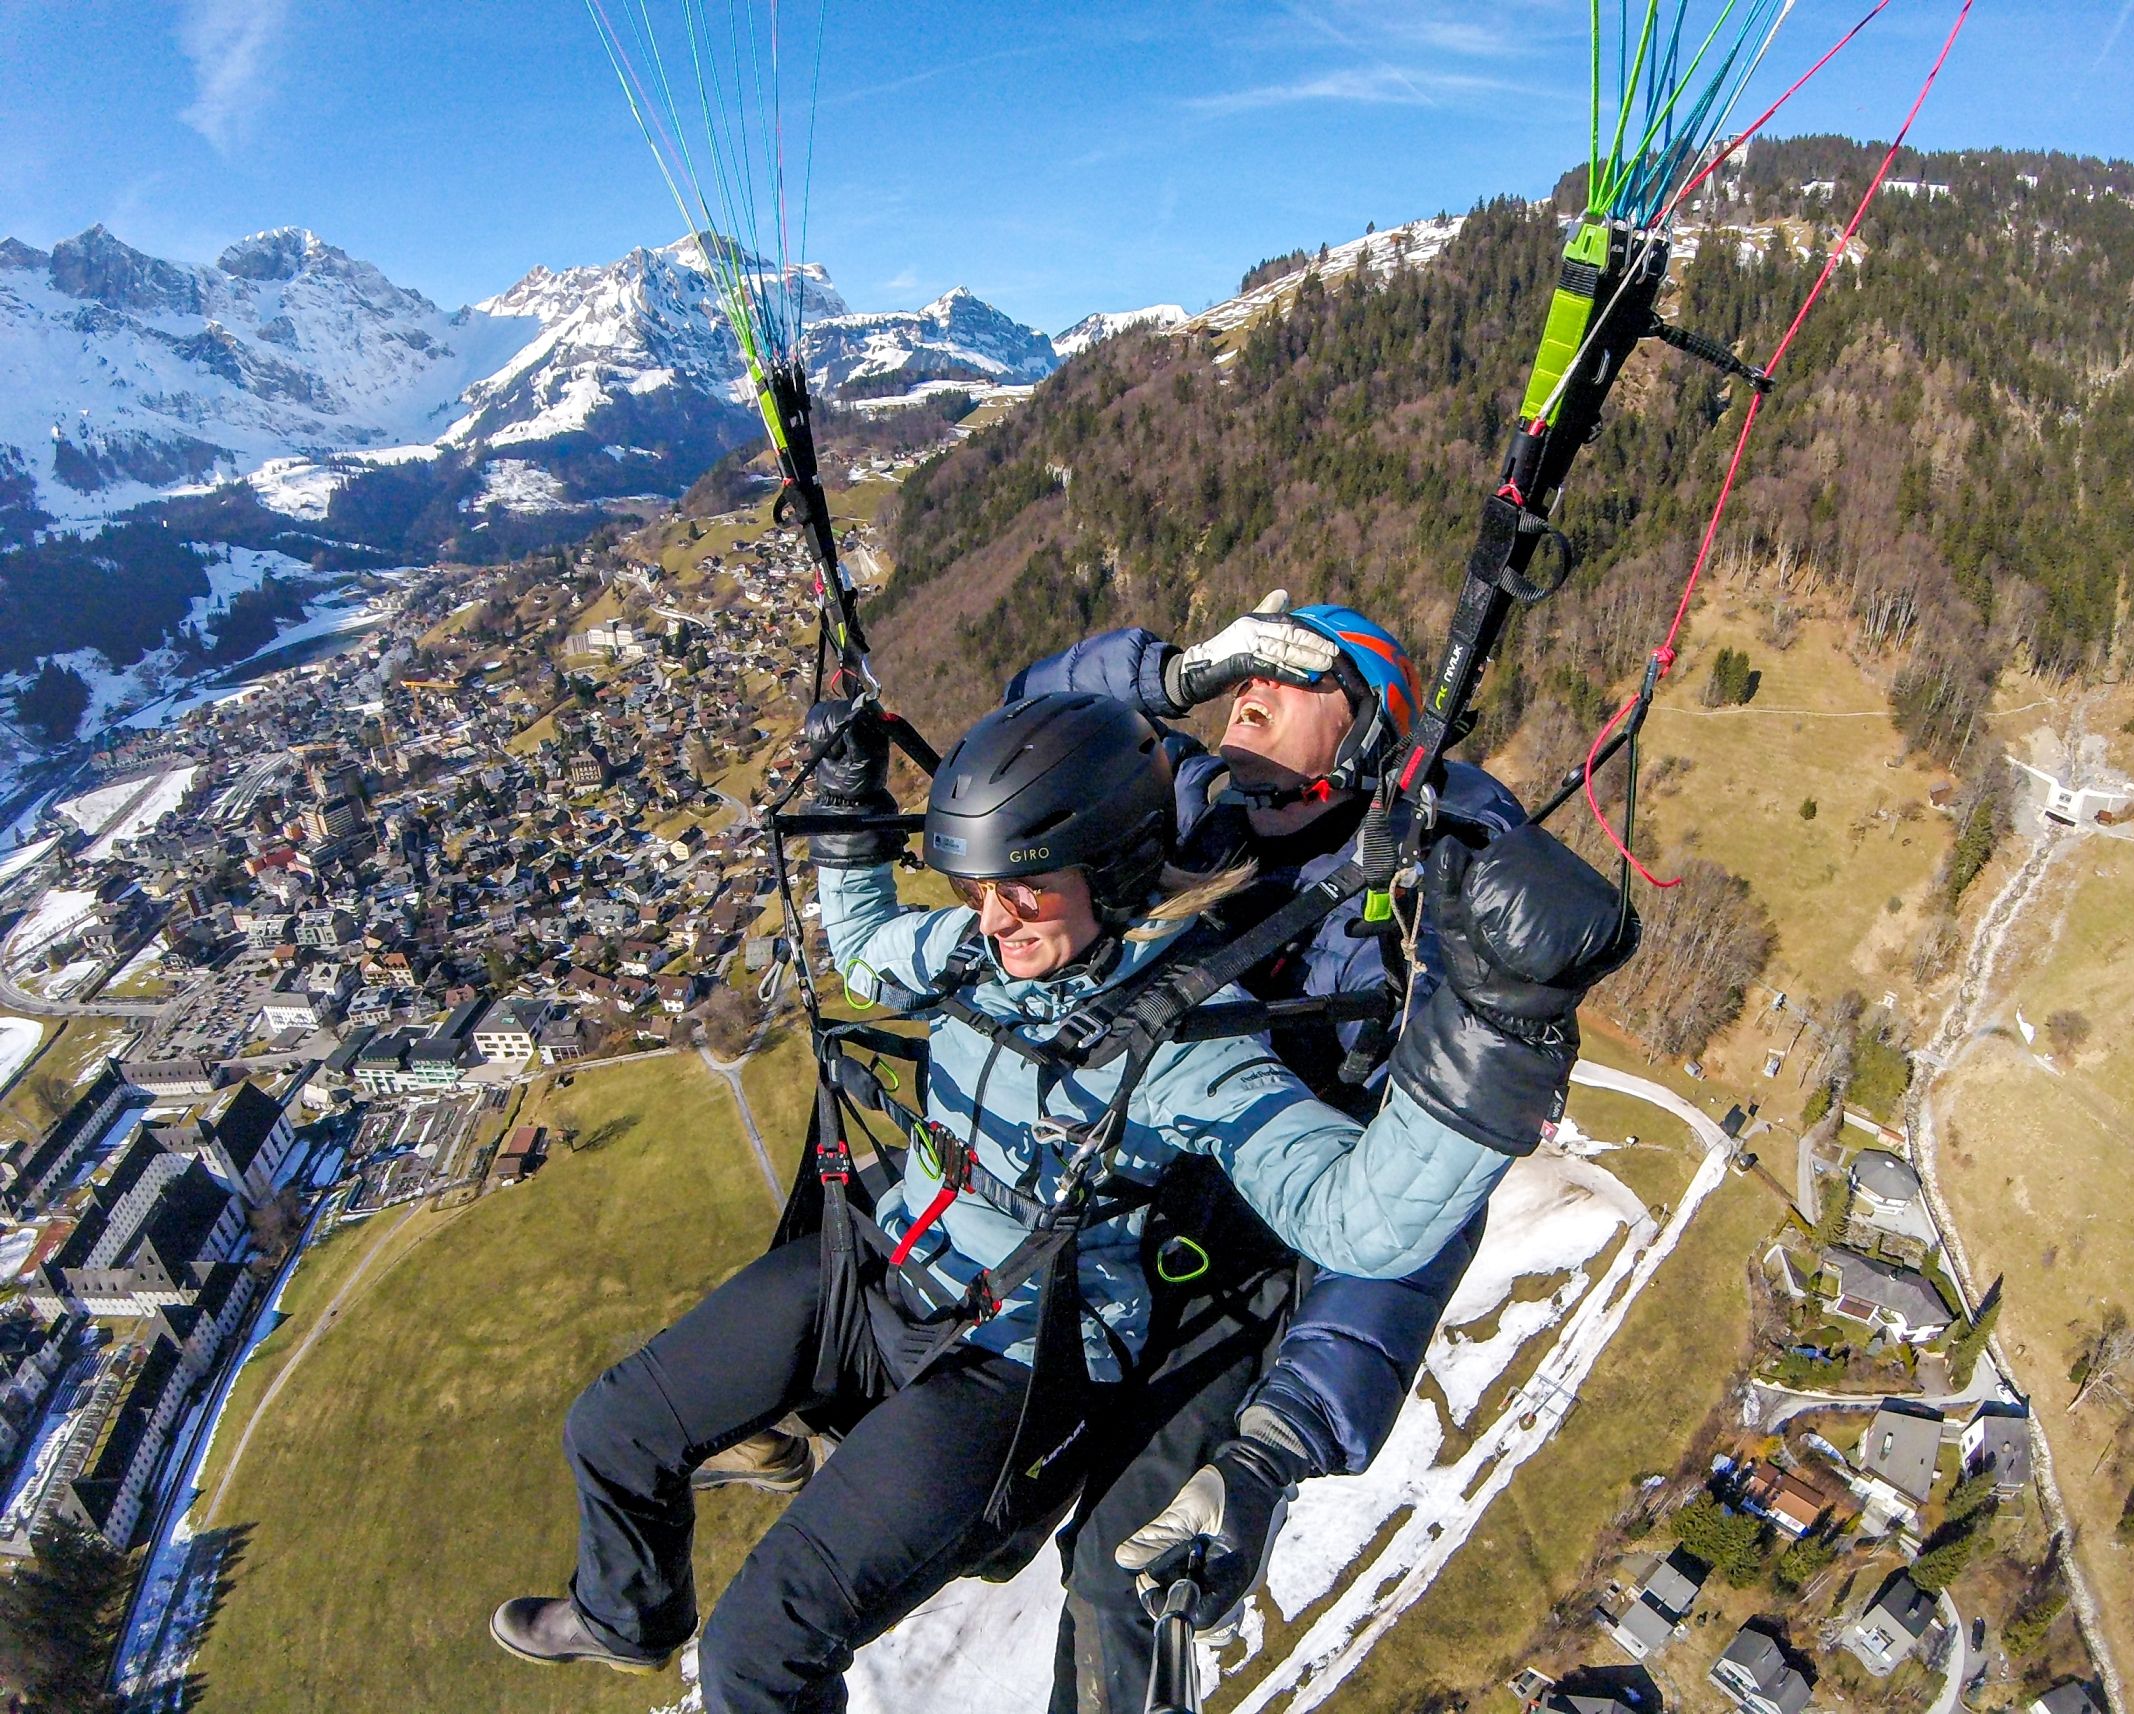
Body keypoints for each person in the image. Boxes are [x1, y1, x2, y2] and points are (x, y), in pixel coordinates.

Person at [490, 689, 1631, 1714]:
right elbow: (876, 956)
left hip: (1012, 1360)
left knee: (755, 1657)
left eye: (1024, 889)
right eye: (979, 889)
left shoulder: (1186, 1045)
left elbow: (1358, 1220)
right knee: (612, 1426)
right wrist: (848, 809)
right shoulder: (986, 951)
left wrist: (1503, 1026)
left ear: (1115, 869)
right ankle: (629, 1613)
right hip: (883, 1261)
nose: (994, 917)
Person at [1009, 596, 1595, 1711]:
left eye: (1296, 676)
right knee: (1016, 1515)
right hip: (1117, 1230)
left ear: (1371, 728)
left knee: (1118, 1576)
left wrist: (1274, 1445)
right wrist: (1173, 672)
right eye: (1243, 674)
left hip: (1248, 1275)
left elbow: (1409, 1209)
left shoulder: (1411, 925)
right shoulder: (1181, 810)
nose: (1252, 691)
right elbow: (1028, 738)